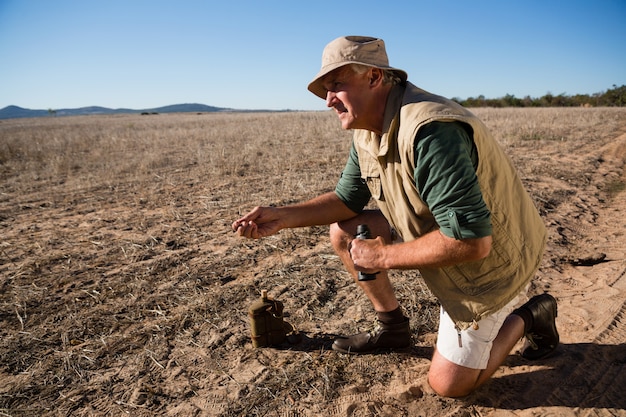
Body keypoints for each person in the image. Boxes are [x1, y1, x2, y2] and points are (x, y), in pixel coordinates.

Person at [232, 36, 559, 397]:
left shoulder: (431, 132)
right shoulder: (367, 129)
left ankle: (530, 314)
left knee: (449, 386)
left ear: (374, 77)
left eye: (337, 85)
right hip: (446, 236)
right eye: (326, 90)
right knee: (345, 232)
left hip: (494, 263)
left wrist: (383, 255)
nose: (328, 101)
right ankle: (392, 329)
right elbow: (346, 200)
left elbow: (472, 241)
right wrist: (281, 216)